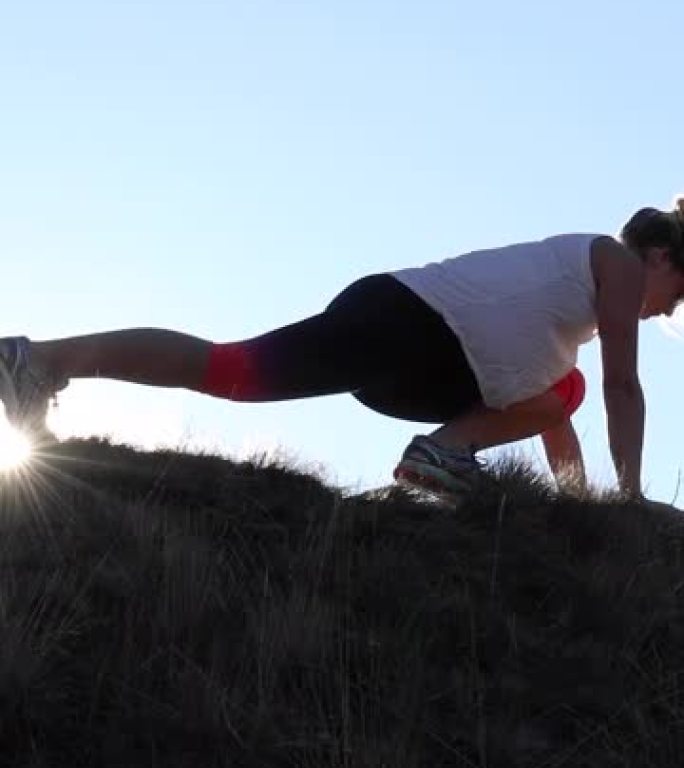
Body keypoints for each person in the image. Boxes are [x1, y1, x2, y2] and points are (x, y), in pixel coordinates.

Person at [1, 198, 683, 499]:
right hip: (404, 321)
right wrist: (626, 498)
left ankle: (442, 453)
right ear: (659, 257)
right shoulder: (613, 264)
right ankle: (40, 361)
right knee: (229, 369)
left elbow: (554, 417)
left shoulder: (567, 327)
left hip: (429, 367)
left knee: (563, 388)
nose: (668, 310)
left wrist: (583, 506)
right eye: (677, 294)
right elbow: (624, 387)